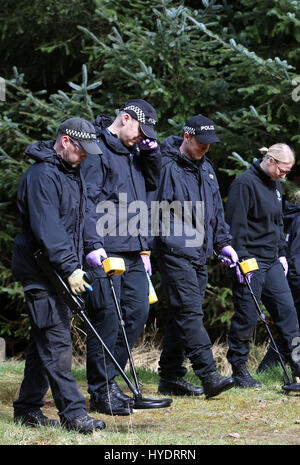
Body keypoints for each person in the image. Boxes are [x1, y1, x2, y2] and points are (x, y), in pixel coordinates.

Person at [12, 118, 106, 433]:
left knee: (44, 341)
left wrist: (88, 251)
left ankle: (26, 409)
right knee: (57, 342)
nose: (85, 157)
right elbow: (49, 230)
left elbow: (77, 223)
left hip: (61, 271)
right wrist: (70, 267)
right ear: (65, 140)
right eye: (81, 149)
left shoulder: (71, 175)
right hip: (42, 272)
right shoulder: (41, 177)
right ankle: (74, 415)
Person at [80, 99, 161, 415]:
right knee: (107, 319)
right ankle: (101, 392)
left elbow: (152, 184)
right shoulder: (97, 149)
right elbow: (86, 198)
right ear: (125, 119)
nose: (144, 137)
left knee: (138, 313)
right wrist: (91, 244)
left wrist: (151, 153)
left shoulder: (137, 153)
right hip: (106, 248)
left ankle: (111, 381)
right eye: (142, 130)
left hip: (135, 249)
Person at [153, 114, 236, 399]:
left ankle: (171, 376)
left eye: (209, 144)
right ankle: (208, 373)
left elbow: (216, 211)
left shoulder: (207, 169)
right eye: (201, 142)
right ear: (187, 136)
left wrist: (223, 243)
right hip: (174, 250)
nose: (205, 148)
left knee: (182, 314)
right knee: (190, 312)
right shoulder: (165, 166)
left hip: (200, 252)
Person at [225, 143, 300, 387]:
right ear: (270, 161)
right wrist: (242, 258)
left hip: (273, 260)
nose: (285, 175)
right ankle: (239, 370)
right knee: (246, 315)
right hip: (250, 259)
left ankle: (298, 367)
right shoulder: (244, 184)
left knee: (288, 314)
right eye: (283, 170)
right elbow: (235, 226)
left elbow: (278, 223)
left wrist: (281, 253)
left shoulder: (275, 184)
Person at [257, 190, 300, 372]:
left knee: (289, 332)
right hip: (296, 281)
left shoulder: (294, 218)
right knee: (292, 332)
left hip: (292, 279)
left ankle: (266, 370)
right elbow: (296, 257)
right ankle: (268, 369)